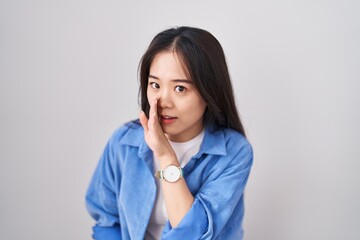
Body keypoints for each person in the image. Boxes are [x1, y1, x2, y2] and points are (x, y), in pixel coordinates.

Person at [85, 26, 253, 240]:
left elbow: (193, 235)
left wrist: (166, 157)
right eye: (155, 85)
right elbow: (107, 222)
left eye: (180, 88)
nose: (163, 101)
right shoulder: (123, 142)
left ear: (209, 91)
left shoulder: (234, 152)